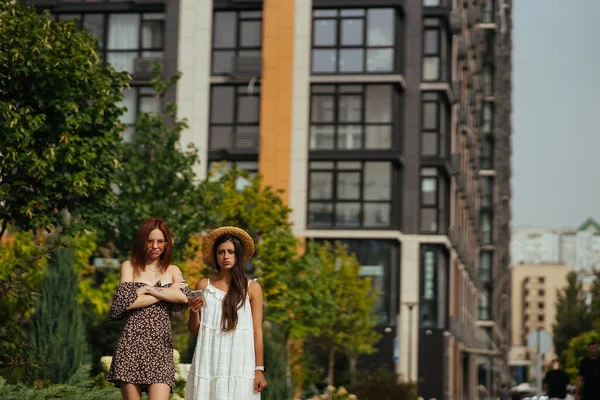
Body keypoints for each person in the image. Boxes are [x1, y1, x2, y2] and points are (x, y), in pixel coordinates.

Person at [107, 217, 190, 400]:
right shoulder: (129, 267)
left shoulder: (173, 270)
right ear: (142, 241)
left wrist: (147, 290)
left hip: (161, 347)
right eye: (150, 240)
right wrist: (166, 292)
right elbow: (126, 303)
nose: (155, 246)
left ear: (166, 244)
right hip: (131, 345)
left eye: (160, 241)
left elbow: (183, 297)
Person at [185, 226, 267, 399]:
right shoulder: (204, 286)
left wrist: (259, 369)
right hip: (209, 362)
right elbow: (195, 332)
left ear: (238, 255)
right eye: (221, 252)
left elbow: (257, 332)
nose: (226, 256)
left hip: (241, 364)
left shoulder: (252, 288)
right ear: (216, 256)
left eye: (231, 251)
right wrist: (193, 311)